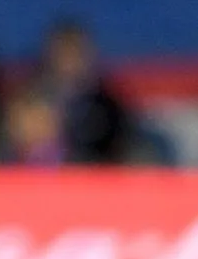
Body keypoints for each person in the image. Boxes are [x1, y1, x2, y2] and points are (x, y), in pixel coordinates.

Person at [33, 18, 136, 164]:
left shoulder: (108, 106)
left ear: (88, 56)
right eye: (64, 52)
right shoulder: (29, 101)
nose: (69, 61)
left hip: (93, 172)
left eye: (75, 52)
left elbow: (119, 149)